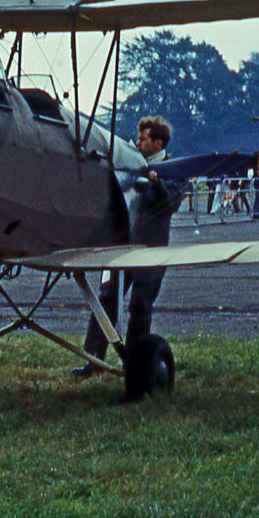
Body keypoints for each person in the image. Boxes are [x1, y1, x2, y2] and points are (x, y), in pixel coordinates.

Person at [72, 117, 184, 377]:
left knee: (139, 305)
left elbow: (171, 205)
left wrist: (157, 185)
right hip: (122, 245)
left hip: (151, 249)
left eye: (143, 138)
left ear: (158, 143)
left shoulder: (174, 169)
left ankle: (134, 363)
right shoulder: (131, 164)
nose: (137, 141)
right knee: (106, 298)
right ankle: (93, 360)